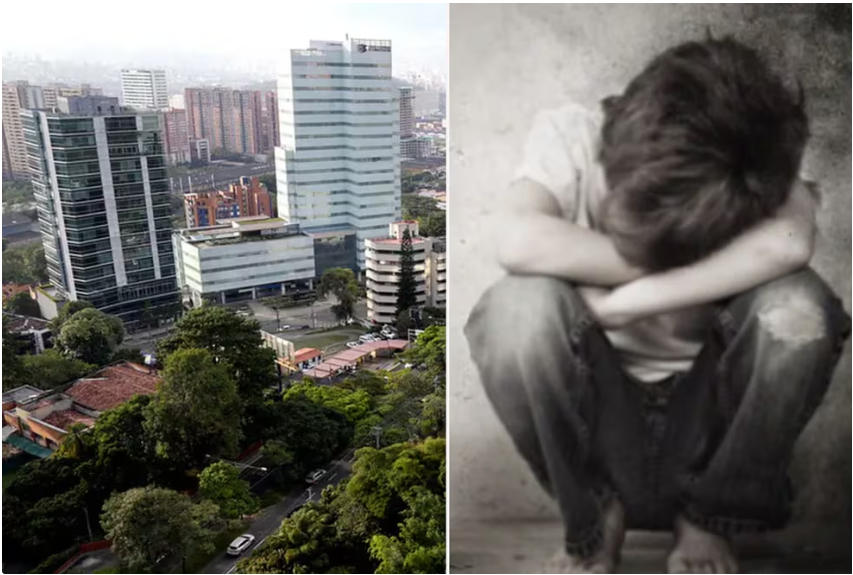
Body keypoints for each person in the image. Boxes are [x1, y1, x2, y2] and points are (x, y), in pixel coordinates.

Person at [465, 36, 851, 575]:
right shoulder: (573, 134)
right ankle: (597, 523)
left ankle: (712, 521)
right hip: (595, 421)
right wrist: (682, 268)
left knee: (800, 305)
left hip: (719, 422)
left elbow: (790, 243)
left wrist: (631, 301)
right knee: (514, 311)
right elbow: (515, 240)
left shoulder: (747, 152)